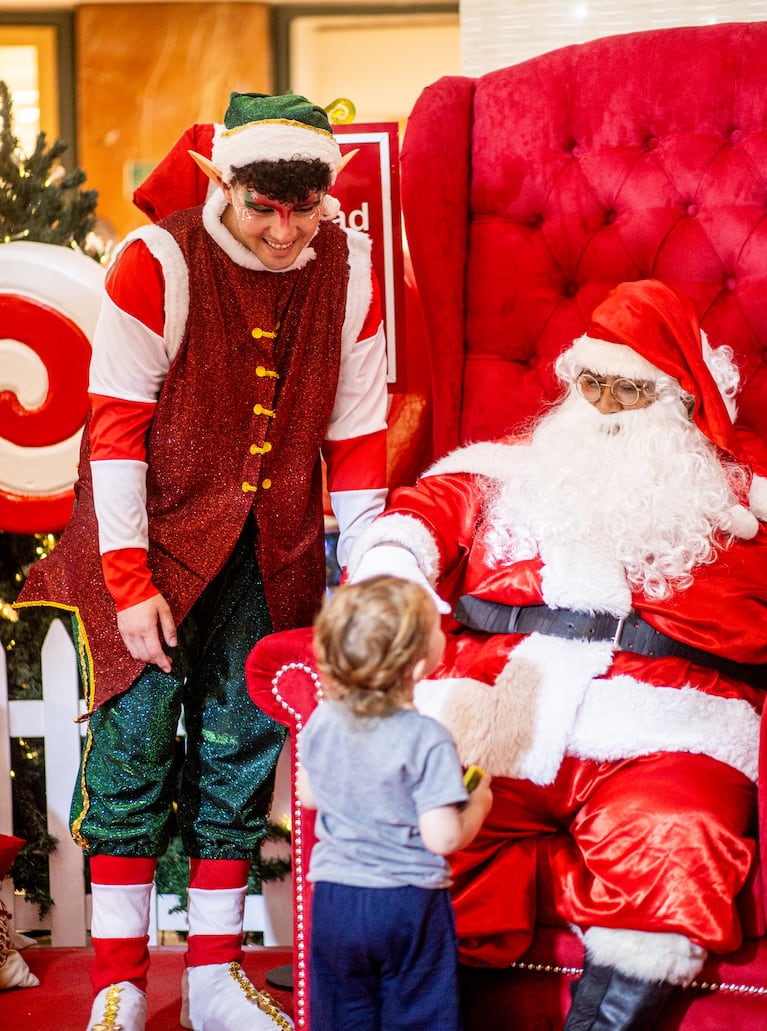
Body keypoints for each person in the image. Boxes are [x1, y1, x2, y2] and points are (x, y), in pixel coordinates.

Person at [17, 91, 389, 1031]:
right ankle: (120, 983)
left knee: (237, 756)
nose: (283, 228)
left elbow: (355, 436)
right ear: (226, 181)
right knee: (133, 755)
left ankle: (218, 981)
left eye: (303, 208)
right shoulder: (158, 262)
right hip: (150, 540)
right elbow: (115, 433)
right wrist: (131, 583)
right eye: (263, 205)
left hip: (274, 548)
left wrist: (376, 567)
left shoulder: (349, 269)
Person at [346, 278, 767, 1030]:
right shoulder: (508, 467)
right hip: (501, 702)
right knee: (403, 822)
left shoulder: (738, 494)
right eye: (592, 383)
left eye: (628, 390)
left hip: (666, 726)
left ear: (674, 400)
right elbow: (415, 518)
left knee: (677, 840)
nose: (603, 407)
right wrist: (394, 580)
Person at [296, 575, 493, 1031]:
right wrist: (477, 803)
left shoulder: (323, 719)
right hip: (408, 902)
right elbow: (442, 836)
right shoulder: (427, 738)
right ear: (418, 661)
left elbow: (308, 793)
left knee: (343, 1015)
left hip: (336, 899)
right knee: (418, 1013)